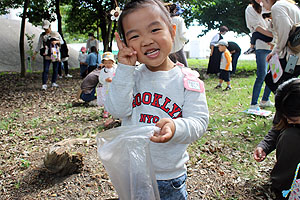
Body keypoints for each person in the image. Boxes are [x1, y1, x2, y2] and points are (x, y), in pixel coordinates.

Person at [104, 0, 209, 199]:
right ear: (126, 43)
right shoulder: (130, 77)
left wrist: (176, 127)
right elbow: (117, 110)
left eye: (154, 30)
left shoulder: (188, 80)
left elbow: (199, 122)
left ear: (172, 31)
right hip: (133, 173)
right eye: (135, 35)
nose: (146, 40)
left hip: (169, 178)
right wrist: (125, 68)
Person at [253, 78, 300, 199]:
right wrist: (263, 146)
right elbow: (277, 128)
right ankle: (282, 186)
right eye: (286, 117)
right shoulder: (286, 104)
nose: (289, 121)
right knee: (290, 137)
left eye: (293, 119)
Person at [262, 0, 300, 93]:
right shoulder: (290, 5)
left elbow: (284, 31)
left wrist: (275, 51)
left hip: (290, 55)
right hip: (296, 55)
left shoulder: (277, 7)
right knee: (288, 86)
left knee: (275, 83)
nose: (262, 5)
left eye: (263, 1)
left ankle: (287, 106)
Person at [245, 0, 274, 111]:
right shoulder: (250, 8)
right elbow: (256, 27)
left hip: (272, 46)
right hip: (262, 46)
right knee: (262, 74)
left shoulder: (268, 7)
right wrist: (272, 36)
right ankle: (253, 103)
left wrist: (274, 40)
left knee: (272, 75)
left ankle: (265, 100)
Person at [32, 20, 64, 90]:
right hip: (47, 53)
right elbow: (39, 45)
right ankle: (44, 84)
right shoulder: (42, 35)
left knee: (55, 69)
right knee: (46, 69)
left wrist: (56, 41)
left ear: (50, 26)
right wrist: (35, 53)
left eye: (47, 28)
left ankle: (53, 82)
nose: (46, 30)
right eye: (44, 29)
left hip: (55, 53)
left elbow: (62, 42)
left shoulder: (55, 33)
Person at [165, 3, 189, 67]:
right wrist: (187, 40)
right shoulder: (179, 19)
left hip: (169, 48)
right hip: (179, 47)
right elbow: (182, 35)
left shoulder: (165, 20)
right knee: (185, 68)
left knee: (171, 69)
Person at [98, 52, 117, 118]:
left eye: (109, 63)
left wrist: (113, 79)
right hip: (106, 87)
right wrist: (105, 80)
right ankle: (106, 110)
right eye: (105, 63)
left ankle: (114, 111)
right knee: (106, 99)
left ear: (112, 62)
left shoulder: (115, 69)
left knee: (114, 99)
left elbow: (119, 77)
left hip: (114, 87)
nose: (107, 65)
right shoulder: (103, 70)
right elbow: (100, 79)